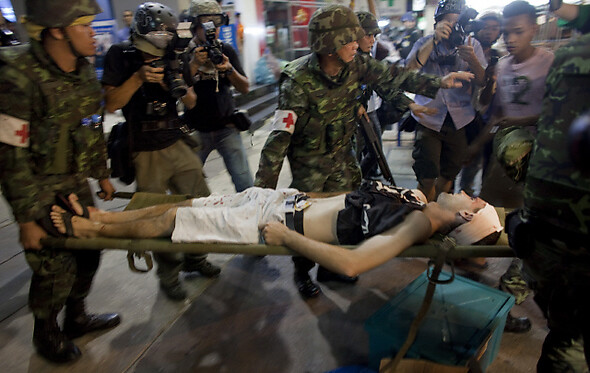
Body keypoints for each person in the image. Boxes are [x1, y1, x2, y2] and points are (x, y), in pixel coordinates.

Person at [254, 4, 474, 299]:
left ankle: (330, 267)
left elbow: (393, 75)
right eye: (350, 40)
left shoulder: (356, 64)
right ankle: (302, 271)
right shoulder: (297, 81)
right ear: (330, 46)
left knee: (345, 216)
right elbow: (279, 139)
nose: (357, 44)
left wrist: (438, 82)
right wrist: (260, 195)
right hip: (310, 165)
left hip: (344, 159)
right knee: (305, 221)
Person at [49, 181, 503, 279]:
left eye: (474, 201)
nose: (469, 192)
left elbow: (352, 263)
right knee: (187, 203)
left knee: (173, 221)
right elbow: (349, 200)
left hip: (275, 221)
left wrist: (287, 239)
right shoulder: (419, 201)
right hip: (282, 199)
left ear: (465, 218)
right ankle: (102, 219)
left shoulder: (418, 223)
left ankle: (86, 232)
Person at [0, 0, 120, 363]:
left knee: (89, 253)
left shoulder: (83, 71)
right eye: (84, 26)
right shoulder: (19, 76)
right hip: (36, 187)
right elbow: (10, 154)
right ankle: (46, 332)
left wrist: (100, 172)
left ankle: (76, 317)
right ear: (56, 31)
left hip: (73, 183)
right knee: (54, 267)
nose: (93, 34)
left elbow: (92, 125)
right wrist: (25, 219)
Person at [102, 2, 218, 302]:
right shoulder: (121, 55)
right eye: (157, 35)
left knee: (199, 203)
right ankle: (169, 274)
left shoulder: (173, 54)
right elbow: (111, 103)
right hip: (143, 146)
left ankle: (196, 257)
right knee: (157, 216)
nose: (162, 41)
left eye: (167, 36)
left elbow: (190, 102)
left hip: (176, 138)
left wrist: (176, 81)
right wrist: (138, 78)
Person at [513, 2, 590, 370]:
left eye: (519, 31)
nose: (511, 40)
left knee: (565, 344)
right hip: (553, 233)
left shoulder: (561, 58)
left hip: (553, 240)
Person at [405, 0, 486, 202]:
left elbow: (482, 80)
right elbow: (408, 73)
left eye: (458, 22)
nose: (453, 27)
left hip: (458, 121)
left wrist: (473, 60)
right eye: (448, 22)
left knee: (448, 176)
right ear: (437, 24)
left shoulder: (472, 44)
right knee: (426, 176)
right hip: (428, 118)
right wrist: (432, 41)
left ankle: (440, 215)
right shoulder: (423, 43)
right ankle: (423, 216)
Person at [183, 0, 253, 193]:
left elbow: (245, 87)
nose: (212, 29)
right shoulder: (185, 53)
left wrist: (229, 69)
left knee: (245, 183)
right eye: (207, 23)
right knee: (187, 187)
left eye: (217, 23)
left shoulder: (225, 51)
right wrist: (194, 65)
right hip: (195, 130)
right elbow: (178, 89)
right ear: (195, 25)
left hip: (227, 128)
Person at [456, 11, 503, 197]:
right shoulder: (464, 50)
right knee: (462, 163)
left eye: (494, 28)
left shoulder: (499, 57)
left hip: (489, 118)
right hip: (465, 115)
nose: (489, 32)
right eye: (485, 27)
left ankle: (477, 204)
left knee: (485, 164)